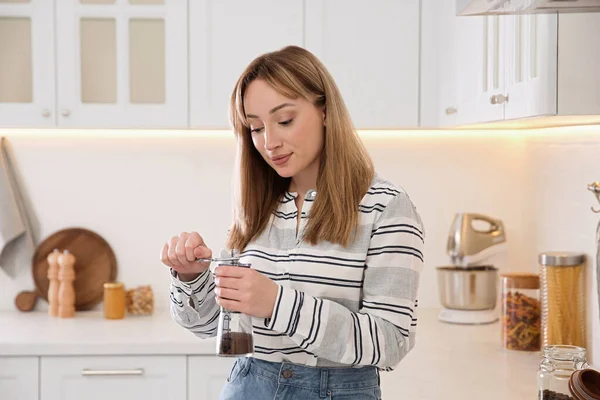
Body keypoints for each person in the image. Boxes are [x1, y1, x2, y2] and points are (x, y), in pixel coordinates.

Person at [160, 45, 424, 400]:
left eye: (284, 120)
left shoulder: (386, 207)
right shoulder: (257, 209)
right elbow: (212, 326)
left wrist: (277, 303)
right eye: (255, 128)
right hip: (247, 384)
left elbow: (391, 342)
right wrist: (191, 278)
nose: (269, 142)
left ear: (325, 111)